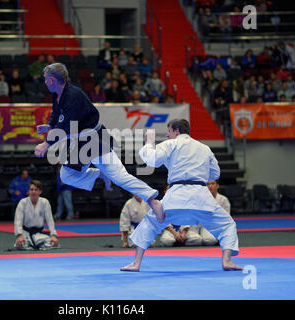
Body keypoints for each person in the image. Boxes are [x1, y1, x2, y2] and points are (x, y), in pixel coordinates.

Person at [34, 63, 163, 221]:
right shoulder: (58, 94)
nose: (45, 82)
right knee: (66, 175)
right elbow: (57, 115)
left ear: (53, 80)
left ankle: (152, 200)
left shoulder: (73, 96)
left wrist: (46, 144)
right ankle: (100, 174)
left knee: (120, 177)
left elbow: (65, 126)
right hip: (80, 141)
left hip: (94, 139)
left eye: (46, 79)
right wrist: (49, 125)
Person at [120, 119, 242, 272]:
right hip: (201, 199)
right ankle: (227, 261)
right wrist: (199, 174)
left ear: (176, 131)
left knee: (150, 223)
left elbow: (151, 159)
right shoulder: (204, 148)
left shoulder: (171, 144)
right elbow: (215, 173)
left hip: (176, 198)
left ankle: (136, 263)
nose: (167, 135)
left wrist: (149, 142)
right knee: (227, 224)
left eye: (169, 132)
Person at [161, 180, 231, 247]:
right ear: (165, 192)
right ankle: (179, 240)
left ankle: (183, 239)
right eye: (208, 184)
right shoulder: (161, 203)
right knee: (167, 241)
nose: (210, 186)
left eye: (212, 184)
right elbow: (163, 221)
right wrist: (175, 233)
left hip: (211, 225)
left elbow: (225, 219)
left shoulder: (223, 200)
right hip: (171, 228)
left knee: (208, 240)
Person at [13, 180, 59, 250]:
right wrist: (20, 235)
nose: (33, 192)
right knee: (20, 245)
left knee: (53, 244)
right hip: (26, 233)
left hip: (39, 233)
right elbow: (18, 220)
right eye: (31, 189)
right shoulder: (22, 202)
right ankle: (36, 246)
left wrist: (53, 235)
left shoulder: (45, 202)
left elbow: (50, 220)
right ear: (28, 191)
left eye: (36, 190)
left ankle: (35, 246)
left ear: (40, 191)